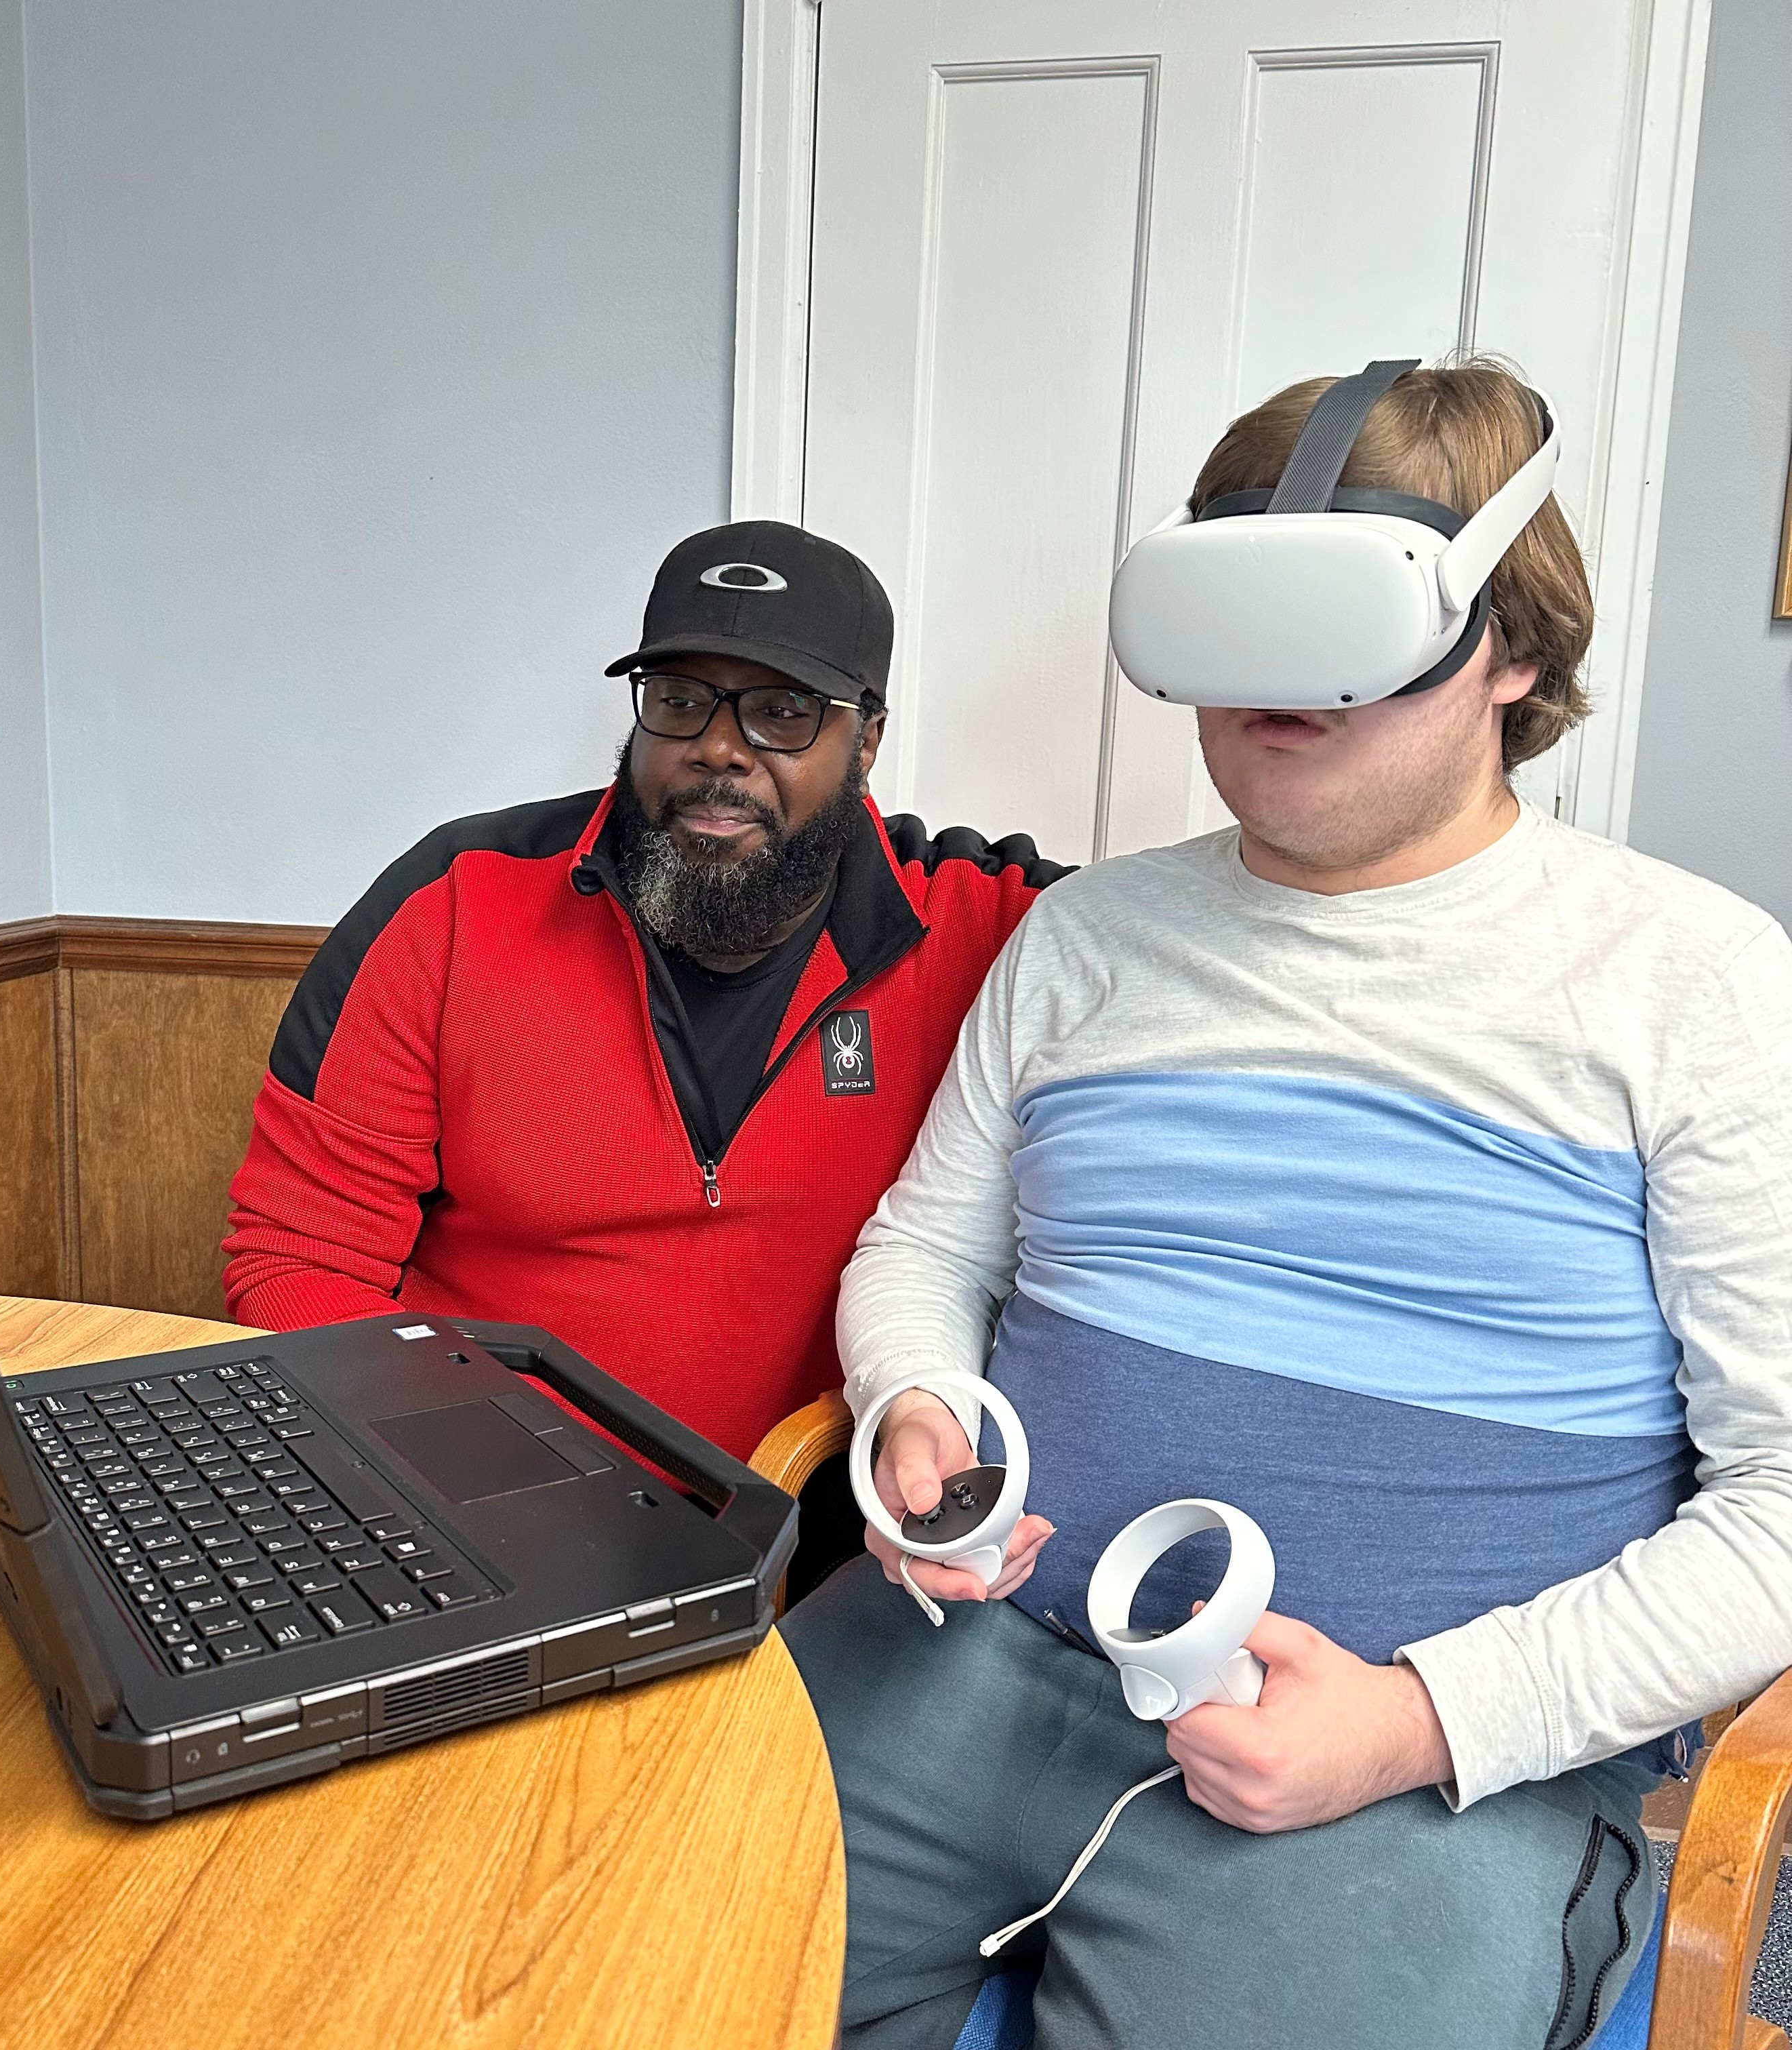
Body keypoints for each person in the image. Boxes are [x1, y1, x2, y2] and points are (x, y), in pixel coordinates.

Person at [781, 361, 1792, 2048]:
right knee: (604, 1954)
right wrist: (912, 1407)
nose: (1279, 686)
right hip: (972, 1657)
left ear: (1516, 653)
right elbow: (928, 1250)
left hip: (1413, 1774)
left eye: (1351, 620)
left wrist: (1418, 1725)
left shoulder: (1692, 982)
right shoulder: (1090, 938)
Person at [222, 519, 1065, 1460]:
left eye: (783, 711)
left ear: (865, 742)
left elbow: (1200, 912)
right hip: (462, 1486)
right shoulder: (455, 902)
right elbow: (297, 1260)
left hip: (804, 1526)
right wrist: (467, 1460)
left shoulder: (989, 923)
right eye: (679, 699)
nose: (719, 749)